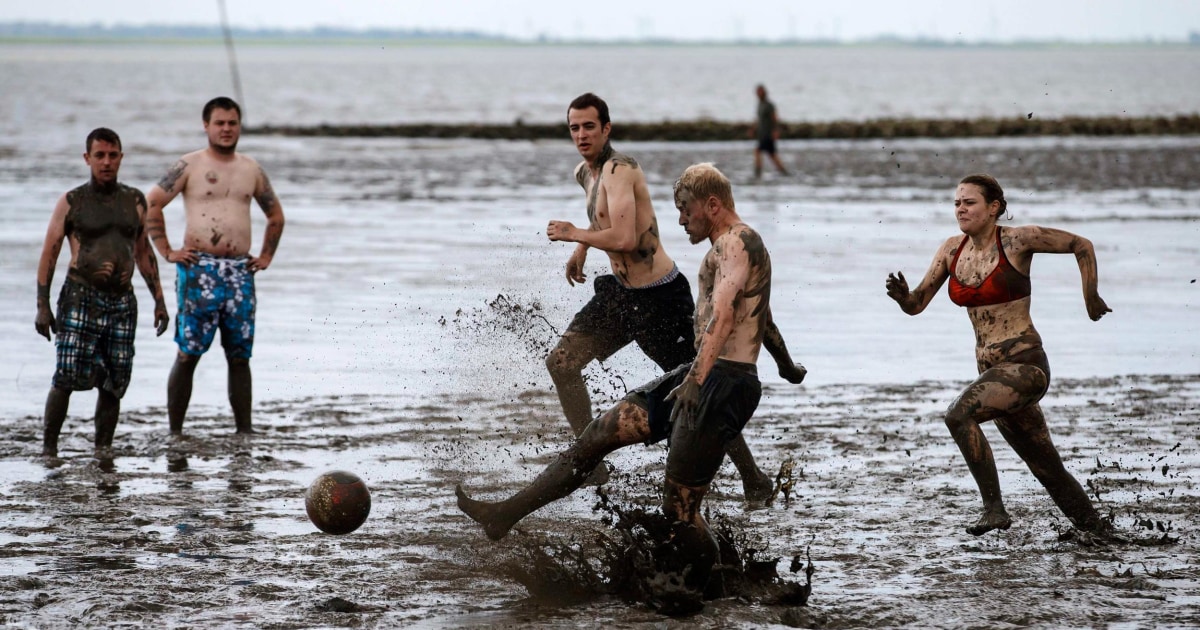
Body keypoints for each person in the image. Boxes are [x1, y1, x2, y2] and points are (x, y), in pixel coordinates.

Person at [459, 163, 807, 602]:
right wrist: (787, 366)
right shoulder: (725, 248)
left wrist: (697, 381)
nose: (680, 220)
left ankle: (718, 592)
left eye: (685, 210)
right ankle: (504, 514)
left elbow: (723, 314)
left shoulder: (738, 243)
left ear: (712, 205)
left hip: (722, 384)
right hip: (701, 374)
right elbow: (763, 317)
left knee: (680, 513)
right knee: (597, 435)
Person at [545, 93, 775, 498]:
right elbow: (604, 219)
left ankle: (752, 478)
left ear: (606, 129)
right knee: (562, 363)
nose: (581, 135)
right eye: (574, 128)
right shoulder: (586, 173)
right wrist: (582, 248)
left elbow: (627, 236)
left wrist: (574, 235)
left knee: (698, 388)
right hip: (618, 296)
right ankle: (590, 462)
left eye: (589, 127)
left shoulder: (623, 169)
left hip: (659, 298)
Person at [885, 173, 1113, 537]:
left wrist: (1090, 295)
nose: (961, 208)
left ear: (994, 208)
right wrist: (902, 298)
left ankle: (993, 509)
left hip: (1024, 366)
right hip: (992, 374)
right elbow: (917, 304)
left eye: (969, 202)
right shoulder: (950, 250)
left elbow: (1080, 244)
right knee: (1045, 466)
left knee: (958, 416)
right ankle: (1099, 532)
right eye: (957, 203)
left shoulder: (1018, 240)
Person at [145, 96, 285, 435]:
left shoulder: (251, 169)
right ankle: (175, 431)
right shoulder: (189, 165)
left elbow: (276, 216)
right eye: (219, 123)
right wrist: (167, 251)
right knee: (188, 353)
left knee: (240, 355)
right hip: (199, 269)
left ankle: (245, 431)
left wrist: (265, 257)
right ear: (206, 125)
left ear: (239, 126)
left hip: (240, 272)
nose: (226, 129)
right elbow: (152, 203)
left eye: (232, 123)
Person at [35, 127, 170, 459]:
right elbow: (50, 251)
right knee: (66, 375)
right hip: (80, 296)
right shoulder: (72, 201)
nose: (106, 162)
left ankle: (103, 449)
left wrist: (160, 301)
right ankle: (50, 448)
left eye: (112, 155)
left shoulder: (135, 200)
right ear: (87, 159)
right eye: (99, 155)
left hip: (122, 302)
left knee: (114, 381)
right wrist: (42, 305)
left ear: (121, 157)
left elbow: (143, 252)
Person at [751, 84, 788, 179]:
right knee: (772, 155)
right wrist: (754, 129)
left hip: (768, 134)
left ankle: (758, 172)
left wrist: (776, 130)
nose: (759, 94)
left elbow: (775, 118)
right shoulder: (760, 105)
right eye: (757, 92)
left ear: (764, 93)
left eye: (760, 92)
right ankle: (783, 171)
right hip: (762, 134)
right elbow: (759, 120)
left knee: (758, 151)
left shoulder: (769, 105)